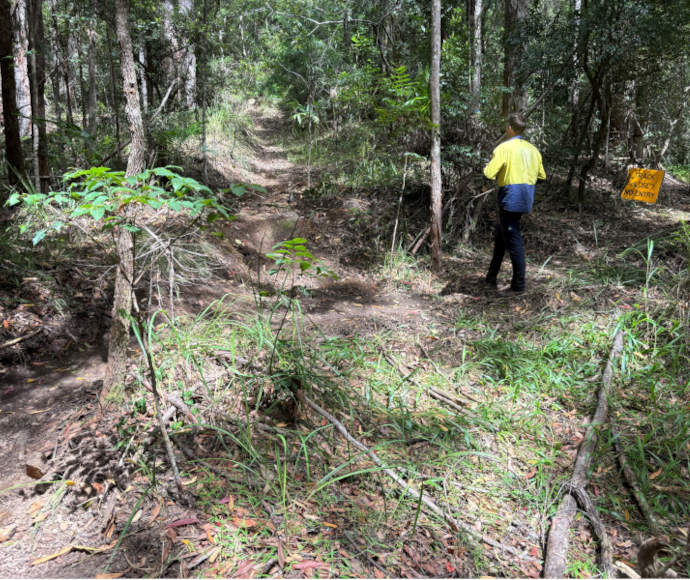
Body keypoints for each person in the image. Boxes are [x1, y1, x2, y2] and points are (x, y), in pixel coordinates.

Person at [483, 113, 546, 293]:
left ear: (510, 128)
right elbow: (542, 176)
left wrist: (486, 167)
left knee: (513, 239)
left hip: (510, 197)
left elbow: (488, 173)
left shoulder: (505, 148)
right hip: (526, 197)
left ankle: (518, 285)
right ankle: (491, 277)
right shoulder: (533, 150)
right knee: (502, 233)